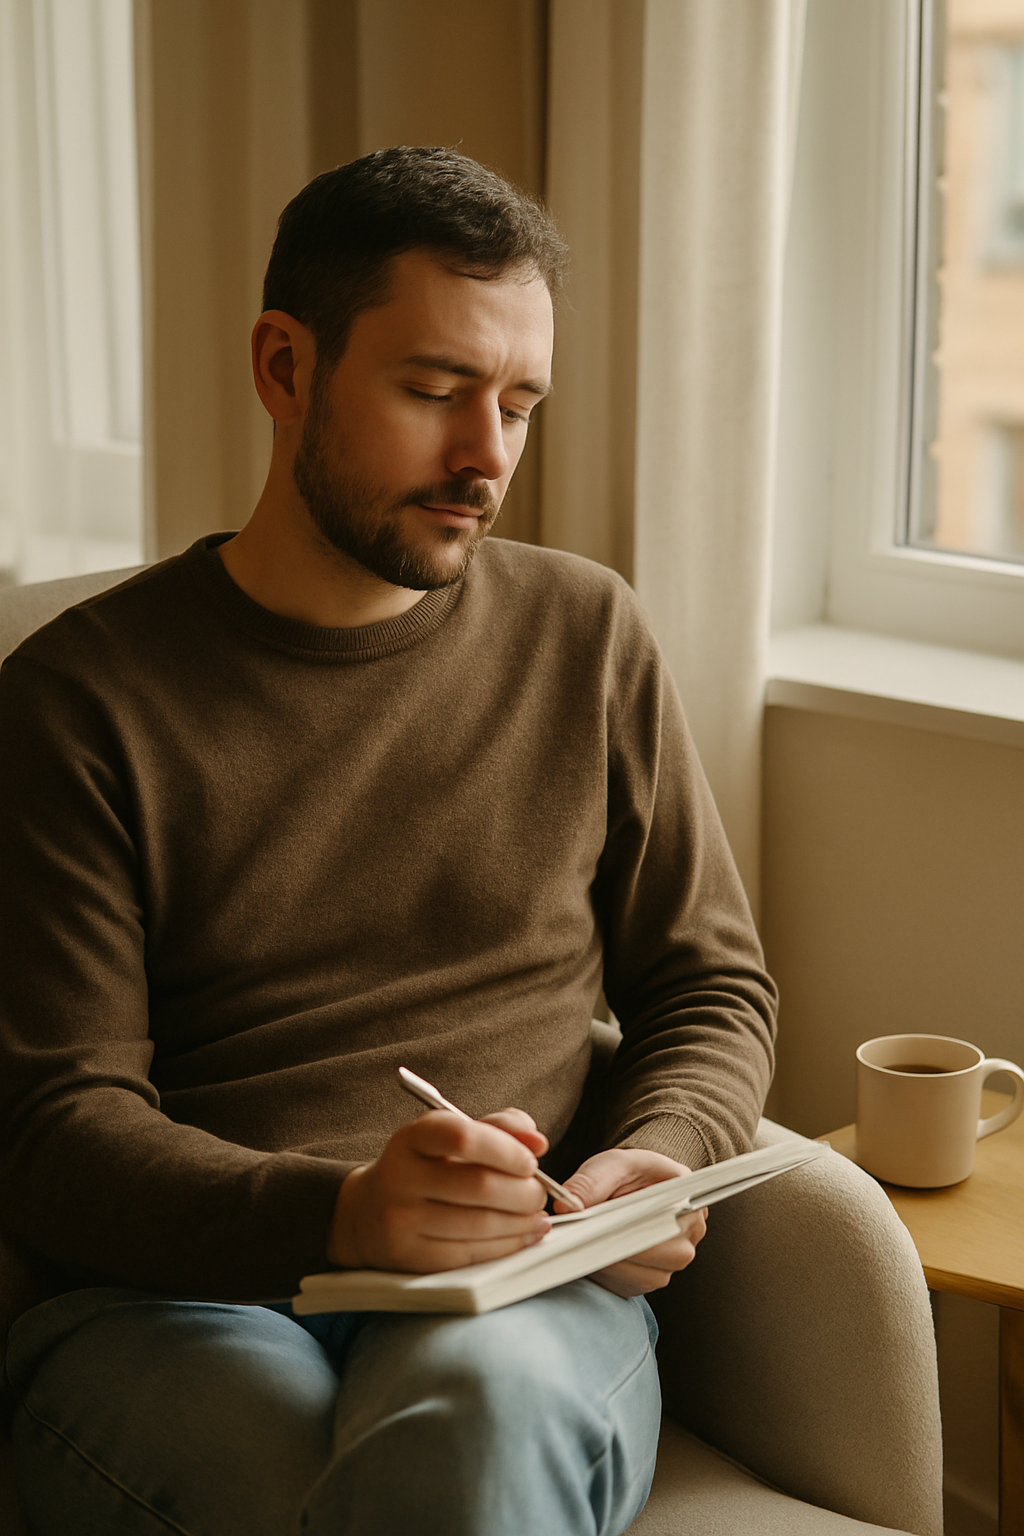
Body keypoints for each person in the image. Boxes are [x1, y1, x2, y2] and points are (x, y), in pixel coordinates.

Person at [0, 147, 777, 1535]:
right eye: (433, 392)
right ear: (283, 366)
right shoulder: (76, 704)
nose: (487, 457)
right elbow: (55, 1130)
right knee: (317, 1481)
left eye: (520, 404)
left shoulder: (587, 637)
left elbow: (710, 985)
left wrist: (650, 1153)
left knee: (478, 1431)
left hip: (522, 1291)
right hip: (175, 1302)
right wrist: (343, 1215)